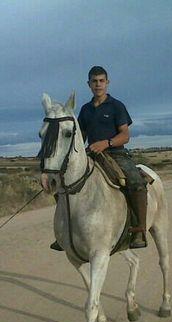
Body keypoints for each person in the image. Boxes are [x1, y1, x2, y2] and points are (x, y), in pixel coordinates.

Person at [51, 65, 147, 250]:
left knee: (136, 182)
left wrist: (107, 143)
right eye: (94, 81)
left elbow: (125, 135)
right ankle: (65, 231)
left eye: (101, 81)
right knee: (61, 182)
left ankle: (139, 230)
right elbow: (81, 136)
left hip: (115, 153)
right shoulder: (86, 109)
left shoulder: (116, 106)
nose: (98, 84)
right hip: (91, 154)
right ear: (89, 84)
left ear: (107, 83)